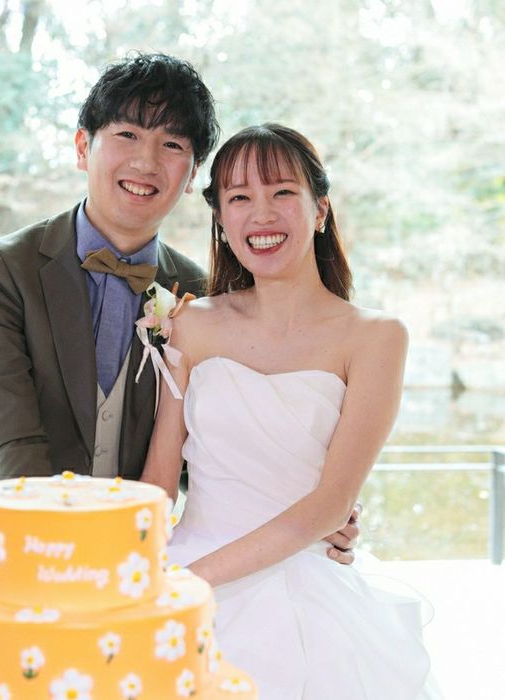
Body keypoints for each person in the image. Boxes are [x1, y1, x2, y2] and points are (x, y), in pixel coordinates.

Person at [0, 55, 359, 638]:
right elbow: (12, 450)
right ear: (83, 147)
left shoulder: (199, 295)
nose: (146, 160)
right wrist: (83, 571)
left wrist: (312, 512)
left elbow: (214, 447)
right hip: (3, 565)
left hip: (135, 577)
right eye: (127, 135)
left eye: (173, 144)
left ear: (191, 176)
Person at [141, 123, 441, 699]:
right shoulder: (189, 322)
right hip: (181, 562)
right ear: (221, 220)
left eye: (282, 192)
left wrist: (191, 583)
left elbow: (330, 503)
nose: (262, 214)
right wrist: (137, 574)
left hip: (307, 588)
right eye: (239, 197)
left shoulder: (376, 337)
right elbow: (159, 478)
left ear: (320, 209)